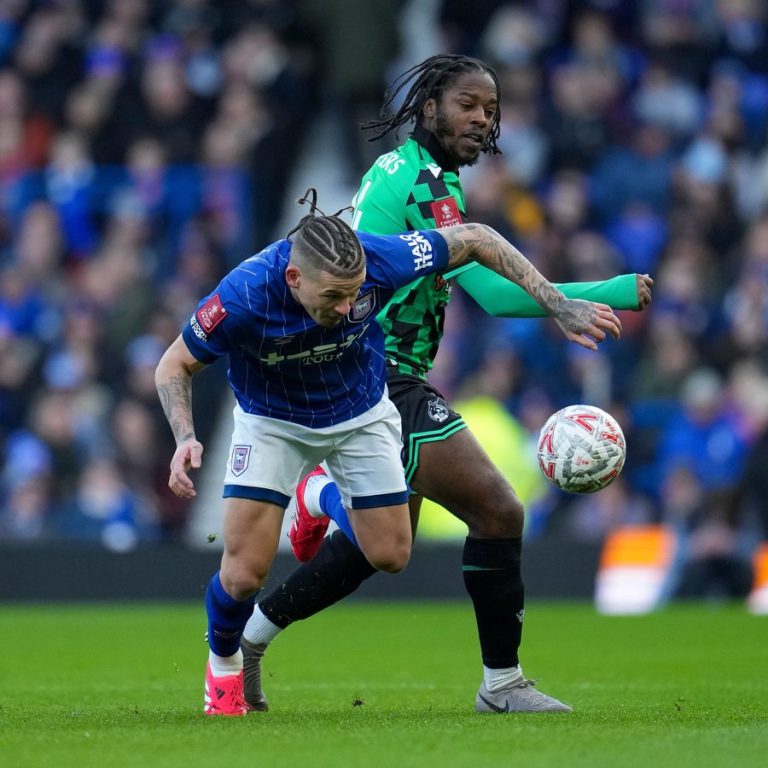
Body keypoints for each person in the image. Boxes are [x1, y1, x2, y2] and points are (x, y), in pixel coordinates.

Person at [241, 55, 652, 714]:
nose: (482, 119)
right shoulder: (410, 183)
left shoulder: (427, 183)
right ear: (429, 108)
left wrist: (591, 295)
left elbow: (484, 288)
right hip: (379, 374)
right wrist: (597, 294)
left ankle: (251, 635)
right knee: (499, 509)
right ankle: (503, 684)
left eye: (490, 110)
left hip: (372, 374)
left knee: (380, 549)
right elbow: (448, 284)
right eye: (469, 104)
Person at [155, 186, 622, 716]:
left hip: (360, 412)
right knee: (244, 574)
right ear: (293, 279)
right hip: (273, 423)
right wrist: (185, 436)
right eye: (334, 296)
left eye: (356, 294)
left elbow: (477, 238)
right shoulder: (243, 294)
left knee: (391, 554)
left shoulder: (378, 258)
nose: (349, 306)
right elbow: (173, 366)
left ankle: (320, 497)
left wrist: (557, 305)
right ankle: (224, 668)